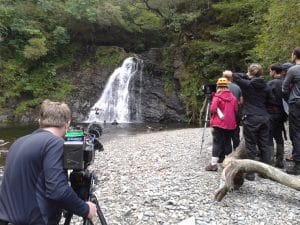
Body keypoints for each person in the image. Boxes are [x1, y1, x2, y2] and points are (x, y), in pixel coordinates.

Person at [0, 100, 97, 224]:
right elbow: (58, 191)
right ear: (67, 123)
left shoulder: (18, 142)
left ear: (39, 121)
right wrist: (86, 209)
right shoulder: (55, 144)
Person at [232, 63, 273, 181]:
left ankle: (250, 173)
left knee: (251, 145)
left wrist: (247, 75)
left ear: (250, 72)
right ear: (261, 73)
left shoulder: (247, 85)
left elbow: (234, 75)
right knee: (264, 144)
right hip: (264, 117)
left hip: (250, 117)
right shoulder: (267, 86)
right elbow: (271, 101)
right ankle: (265, 173)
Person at [205, 77, 238, 171]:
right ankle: (229, 164)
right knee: (228, 142)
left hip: (219, 123)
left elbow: (212, 109)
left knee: (217, 143)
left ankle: (213, 164)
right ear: (227, 86)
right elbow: (236, 109)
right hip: (230, 124)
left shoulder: (217, 97)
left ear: (218, 86)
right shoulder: (233, 98)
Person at [282, 47, 300, 175]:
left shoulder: (293, 70)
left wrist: (289, 99)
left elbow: (284, 88)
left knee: (296, 132)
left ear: (295, 56)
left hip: (296, 103)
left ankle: (298, 163)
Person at [266, 63, 287, 168]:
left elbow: (265, 99)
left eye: (270, 71)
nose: (270, 73)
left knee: (269, 136)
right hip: (282, 114)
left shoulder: (270, 84)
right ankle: (280, 160)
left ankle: (269, 160)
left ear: (274, 71)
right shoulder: (285, 83)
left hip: (271, 113)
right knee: (279, 136)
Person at [223, 70, 243, 150]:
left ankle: (227, 153)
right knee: (235, 133)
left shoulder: (220, 87)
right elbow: (241, 101)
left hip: (224, 114)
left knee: (225, 133)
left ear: (224, 77)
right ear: (231, 77)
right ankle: (236, 150)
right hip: (235, 113)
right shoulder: (237, 87)